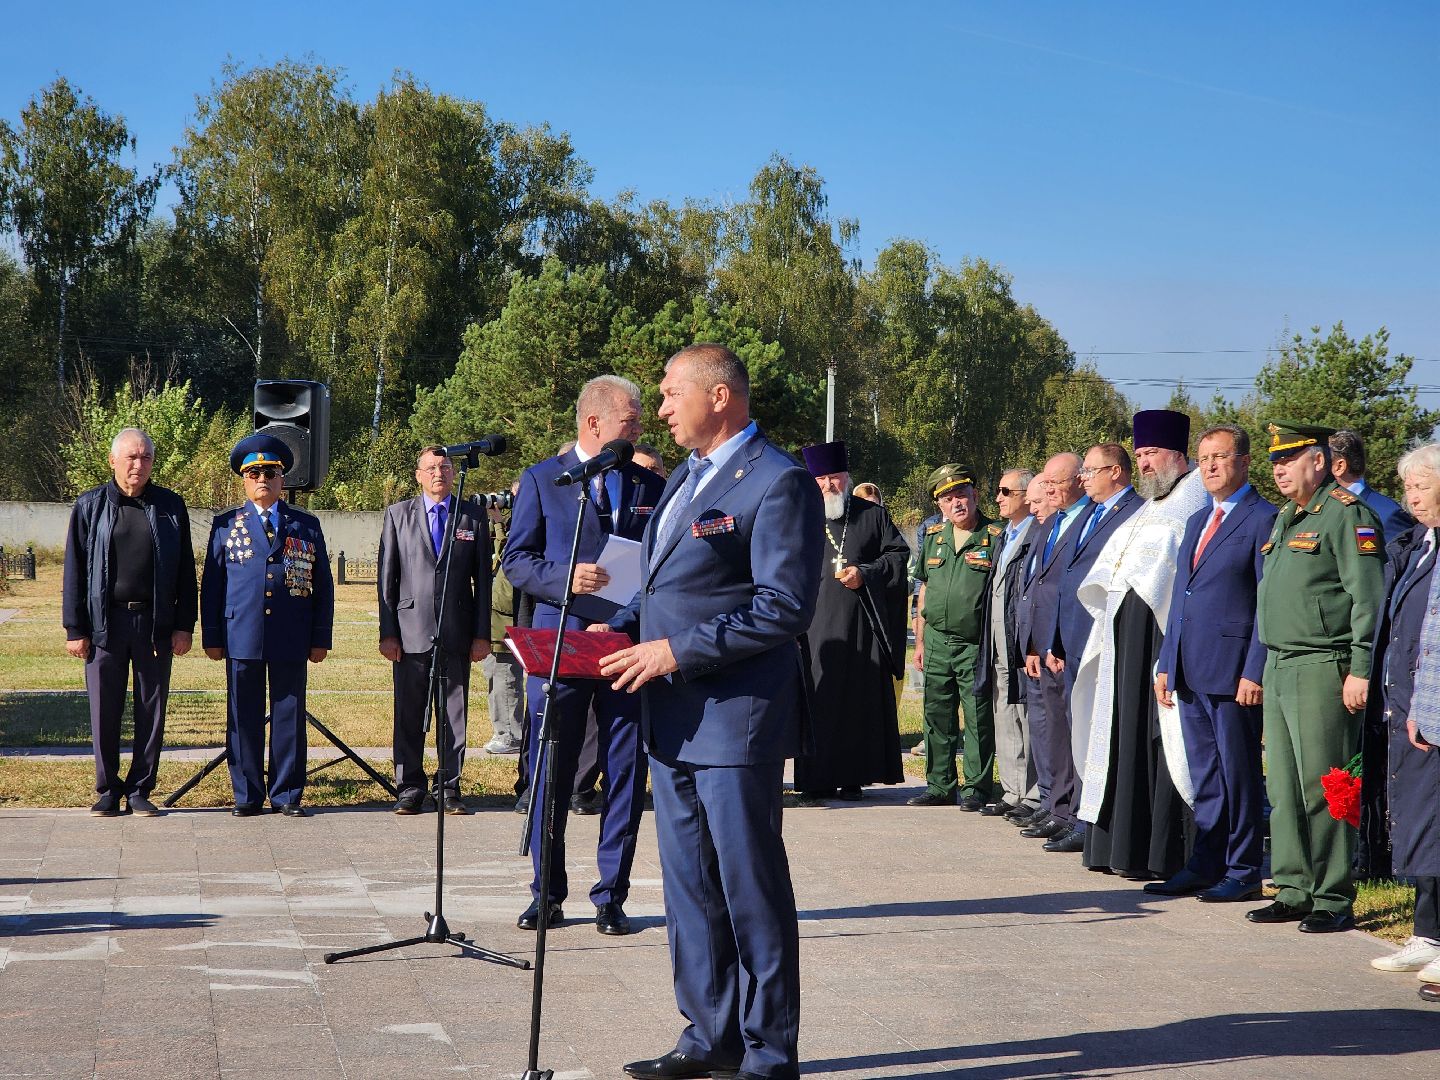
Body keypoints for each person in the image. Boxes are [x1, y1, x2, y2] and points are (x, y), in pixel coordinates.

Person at [597, 343, 823, 1080]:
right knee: (692, 889)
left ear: (718, 397)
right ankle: (707, 1036)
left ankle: (768, 1052)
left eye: (669, 393)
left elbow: (783, 607)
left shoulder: (780, 481)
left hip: (734, 719)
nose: (659, 409)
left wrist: (674, 651)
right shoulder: (687, 479)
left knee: (748, 887)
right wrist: (623, 625)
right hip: (672, 719)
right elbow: (668, 587)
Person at [502, 375, 665, 936]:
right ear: (594, 422)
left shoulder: (649, 484)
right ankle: (545, 892)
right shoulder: (544, 480)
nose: (640, 425)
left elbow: (663, 565)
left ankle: (610, 895)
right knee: (554, 768)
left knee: (625, 769)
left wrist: (628, 614)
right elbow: (516, 561)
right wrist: (563, 577)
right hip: (561, 642)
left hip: (627, 644)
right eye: (631, 417)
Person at [1249, 421, 1384, 933]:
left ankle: (1332, 894)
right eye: (1275, 461)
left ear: (1321, 462)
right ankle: (1293, 887)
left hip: (1324, 666)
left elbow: (1367, 598)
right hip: (1280, 663)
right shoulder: (1289, 517)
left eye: (1291, 458)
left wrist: (1360, 670)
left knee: (1327, 784)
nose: (1280, 469)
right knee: (1282, 785)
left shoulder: (1347, 516)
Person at [1071, 414, 1203, 875]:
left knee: (1161, 740)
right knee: (1120, 735)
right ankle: (1120, 847)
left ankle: (1162, 852)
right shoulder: (1150, 505)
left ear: (1179, 456)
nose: (1146, 463)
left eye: (1153, 454)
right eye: (1141, 454)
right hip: (1125, 642)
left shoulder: (1194, 500)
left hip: (1163, 640)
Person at [1148, 424, 1276, 900]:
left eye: (1220, 457)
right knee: (1205, 773)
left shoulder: (1265, 518)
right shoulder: (1198, 521)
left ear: (1244, 462)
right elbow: (1181, 597)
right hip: (1190, 665)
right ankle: (1206, 862)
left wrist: (1254, 669)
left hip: (1232, 670)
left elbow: (1268, 600)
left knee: (1238, 774)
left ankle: (1243, 869)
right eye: (1204, 459)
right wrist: (1167, 661)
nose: (1211, 467)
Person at [62, 427, 196, 817]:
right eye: (132, 457)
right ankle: (107, 789)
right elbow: (74, 571)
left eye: (146, 458)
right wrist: (75, 628)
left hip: (154, 623)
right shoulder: (89, 507)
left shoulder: (171, 507)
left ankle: (140, 788)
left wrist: (184, 624)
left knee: (151, 709)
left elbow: (186, 572)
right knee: (104, 709)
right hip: (105, 625)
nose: (139, 465)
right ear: (113, 461)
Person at [200, 434, 334, 817]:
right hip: (241, 634)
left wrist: (320, 637)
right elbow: (212, 585)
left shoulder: (305, 524)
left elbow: (322, 585)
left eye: (271, 473)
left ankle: (287, 793)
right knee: (243, 716)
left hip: (292, 634)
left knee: (289, 715)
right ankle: (247, 795)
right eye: (255, 472)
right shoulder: (226, 525)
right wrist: (212, 635)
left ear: (282, 479)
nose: (263, 479)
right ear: (244, 479)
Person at [377, 446, 491, 815]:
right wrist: (388, 632)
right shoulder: (398, 515)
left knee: (454, 712)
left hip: (456, 630)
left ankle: (449, 787)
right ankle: (409, 786)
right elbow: (387, 580)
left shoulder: (471, 516)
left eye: (444, 467)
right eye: (430, 468)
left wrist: (481, 634)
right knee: (409, 712)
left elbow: (482, 584)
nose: (438, 473)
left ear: (454, 473)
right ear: (418, 475)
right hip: (410, 632)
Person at [793, 441, 909, 804]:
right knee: (817, 701)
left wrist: (867, 572)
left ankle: (853, 778)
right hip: (813, 627)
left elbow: (898, 554)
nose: (829, 485)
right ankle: (815, 781)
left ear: (847, 477)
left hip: (861, 622)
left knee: (857, 701)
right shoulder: (798, 514)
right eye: (822, 478)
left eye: (836, 478)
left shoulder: (871, 516)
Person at [1366, 443, 1440, 987]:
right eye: (1409, 486)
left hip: (1430, 710)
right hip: (1406, 704)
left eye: (1423, 485)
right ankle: (1426, 933)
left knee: (1435, 823)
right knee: (1418, 820)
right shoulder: (1416, 545)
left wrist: (1427, 707)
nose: (1412, 495)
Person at [911, 464, 1001, 810]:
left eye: (961, 495)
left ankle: (977, 787)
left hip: (974, 643)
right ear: (940, 506)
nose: (956, 503)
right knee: (936, 714)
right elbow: (924, 590)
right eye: (948, 499)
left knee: (977, 715)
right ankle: (939, 784)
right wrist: (919, 642)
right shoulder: (935, 537)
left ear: (975, 495)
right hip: (935, 641)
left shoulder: (995, 535)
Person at [1015, 453, 1090, 842]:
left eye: (1054, 483)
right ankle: (1056, 805)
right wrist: (1032, 644)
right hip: (1043, 645)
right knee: (1049, 728)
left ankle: (1072, 810)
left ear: (1079, 480)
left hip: (1066, 643)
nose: (1047, 490)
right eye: (1046, 483)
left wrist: (1054, 642)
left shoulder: (1085, 520)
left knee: (1068, 728)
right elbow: (1036, 589)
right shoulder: (1051, 524)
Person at [977, 468, 1040, 818]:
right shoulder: (1004, 534)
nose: (998, 498)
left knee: (1025, 714)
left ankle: (1032, 794)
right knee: (1003, 709)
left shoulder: (1036, 533)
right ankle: (1012, 790)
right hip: (998, 634)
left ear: (1025, 496)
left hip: (1019, 636)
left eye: (1005, 491)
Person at [483, 481, 526, 756]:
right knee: (495, 671)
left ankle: (510, 734)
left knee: (504, 673)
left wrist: (498, 523)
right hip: (497, 610)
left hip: (510, 612)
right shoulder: (512, 522)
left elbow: (508, 555)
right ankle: (505, 730)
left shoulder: (526, 524)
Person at [1330, 429, 1414, 546]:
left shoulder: (1387, 514)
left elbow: (1400, 561)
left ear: (1339, 466)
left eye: (1320, 462)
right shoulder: (1317, 509)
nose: (1315, 468)